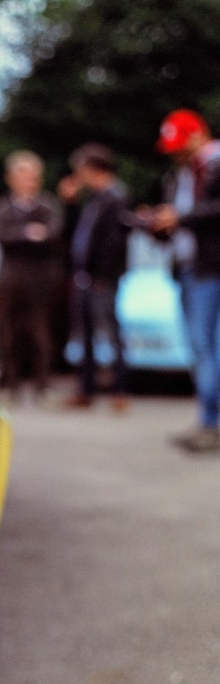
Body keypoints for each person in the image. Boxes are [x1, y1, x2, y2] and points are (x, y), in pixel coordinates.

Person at [151, 109, 220, 453]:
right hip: (190, 268)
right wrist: (158, 223)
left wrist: (180, 217)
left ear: (197, 135)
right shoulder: (180, 174)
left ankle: (213, 424)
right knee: (200, 348)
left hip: (212, 270)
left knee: (207, 348)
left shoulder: (215, 164)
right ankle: (209, 420)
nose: (175, 152)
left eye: (179, 144)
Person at [60, 143, 130, 411]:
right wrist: (70, 203)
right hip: (84, 276)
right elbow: (74, 235)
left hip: (101, 278)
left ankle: (120, 390)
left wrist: (103, 273)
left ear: (93, 169)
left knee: (111, 333)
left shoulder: (116, 197)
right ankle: (86, 389)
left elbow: (114, 243)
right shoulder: (94, 198)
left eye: (80, 170)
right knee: (85, 334)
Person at [0, 150, 63, 401]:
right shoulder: (2, 207)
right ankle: (10, 383)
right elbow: (3, 236)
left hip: (40, 279)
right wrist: (29, 233)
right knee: (7, 333)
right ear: (11, 178)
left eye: (32, 176)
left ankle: (43, 384)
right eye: (22, 176)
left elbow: (54, 234)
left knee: (41, 332)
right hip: (11, 278)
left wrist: (26, 235)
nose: (28, 181)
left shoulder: (48, 205)